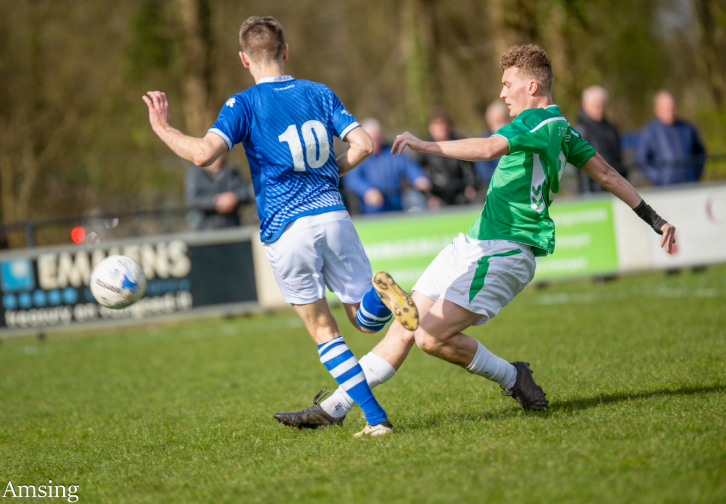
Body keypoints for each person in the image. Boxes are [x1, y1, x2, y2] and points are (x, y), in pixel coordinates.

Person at [277, 44, 676, 429]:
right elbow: (607, 175)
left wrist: (425, 144)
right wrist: (656, 220)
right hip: (473, 243)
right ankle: (333, 408)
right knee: (404, 326)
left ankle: (513, 377)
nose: (502, 93)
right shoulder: (564, 129)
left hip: (506, 250)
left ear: (532, 87)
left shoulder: (534, 122)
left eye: (508, 84)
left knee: (430, 336)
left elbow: (487, 148)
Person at [143, 16, 419, 437]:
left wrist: (163, 128)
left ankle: (377, 419)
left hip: (287, 227)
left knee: (324, 330)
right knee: (364, 322)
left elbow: (203, 154)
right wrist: (330, 174)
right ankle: (381, 298)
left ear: (243, 58)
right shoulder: (319, 92)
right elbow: (364, 144)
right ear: (285, 51)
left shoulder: (243, 104)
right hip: (333, 213)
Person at [341, 119, 432, 214]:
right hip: (370, 210)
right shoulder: (357, 155)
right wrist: (367, 190)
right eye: (371, 138)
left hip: (396, 204)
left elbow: (409, 167)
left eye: (377, 138)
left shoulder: (392, 151)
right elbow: (352, 179)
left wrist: (419, 178)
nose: (374, 142)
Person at [636, 90, 706, 186]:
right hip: (666, 190)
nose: (672, 111)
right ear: (657, 110)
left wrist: (695, 173)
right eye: (668, 108)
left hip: (691, 186)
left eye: (673, 107)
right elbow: (642, 161)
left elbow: (700, 153)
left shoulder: (688, 128)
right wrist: (659, 178)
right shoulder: (649, 132)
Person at [415, 109, 477, 208]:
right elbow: (417, 172)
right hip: (437, 193)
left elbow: (471, 165)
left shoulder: (459, 142)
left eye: (443, 124)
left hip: (459, 190)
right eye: (437, 125)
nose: (441, 128)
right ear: (430, 128)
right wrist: (428, 196)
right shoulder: (425, 146)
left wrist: (471, 186)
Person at [575, 86, 625, 193]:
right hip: (594, 190)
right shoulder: (580, 130)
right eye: (596, 105)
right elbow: (581, 167)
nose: (600, 108)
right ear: (585, 104)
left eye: (602, 104)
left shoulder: (611, 128)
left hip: (615, 187)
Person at [184, 153, 251, 230]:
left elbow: (247, 192)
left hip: (232, 227)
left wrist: (234, 197)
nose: (217, 159)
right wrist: (216, 202)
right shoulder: (195, 173)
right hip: (205, 230)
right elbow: (192, 199)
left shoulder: (232, 171)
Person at [474, 101, 511, 184]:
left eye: (504, 120)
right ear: (489, 123)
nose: (503, 124)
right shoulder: (483, 142)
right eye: (498, 121)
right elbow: (484, 173)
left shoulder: (514, 138)